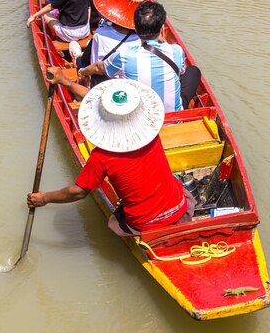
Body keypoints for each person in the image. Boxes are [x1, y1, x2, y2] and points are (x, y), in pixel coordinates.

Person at [27, 80, 195, 235]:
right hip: (180, 209)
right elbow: (94, 100)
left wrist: (44, 198)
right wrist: (65, 81)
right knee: (177, 187)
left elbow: (77, 192)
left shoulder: (102, 157)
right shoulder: (151, 135)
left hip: (145, 224)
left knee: (115, 221)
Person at [78, 1, 201, 112]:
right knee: (193, 71)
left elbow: (98, 68)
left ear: (135, 29)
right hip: (174, 119)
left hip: (141, 122)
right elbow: (181, 72)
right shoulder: (177, 51)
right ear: (163, 28)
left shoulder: (125, 55)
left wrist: (82, 72)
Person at [69, 0, 146, 85]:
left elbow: (95, 64)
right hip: (125, 83)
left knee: (84, 52)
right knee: (90, 44)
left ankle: (78, 56)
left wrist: (82, 72)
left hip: (101, 78)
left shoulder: (101, 34)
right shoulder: (140, 39)